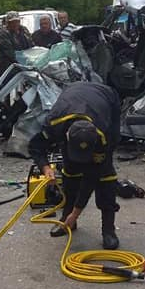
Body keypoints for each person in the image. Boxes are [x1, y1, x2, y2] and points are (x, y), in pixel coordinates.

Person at [28, 82, 122, 249]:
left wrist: (77, 212)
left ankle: (108, 229)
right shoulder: (54, 123)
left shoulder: (102, 135)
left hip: (107, 98)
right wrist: (46, 168)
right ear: (67, 137)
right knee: (70, 170)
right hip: (73, 96)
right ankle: (67, 219)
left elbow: (91, 178)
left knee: (105, 176)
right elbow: (35, 146)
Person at [0, 11, 32, 75]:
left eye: (17, 21)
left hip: (24, 66)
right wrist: (24, 61)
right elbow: (10, 53)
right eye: (12, 22)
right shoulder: (3, 34)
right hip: (9, 68)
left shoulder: (24, 30)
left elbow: (31, 45)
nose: (15, 24)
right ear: (7, 23)